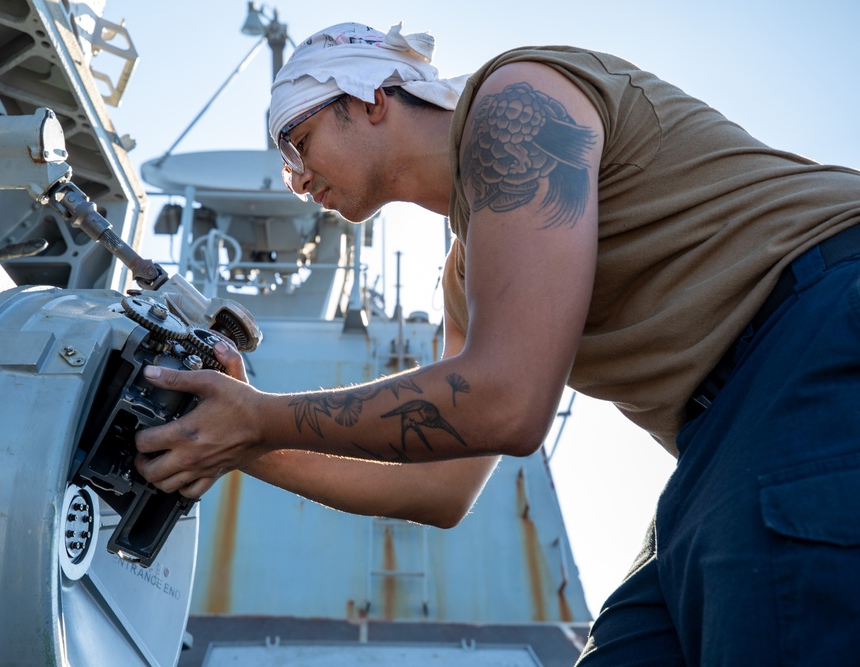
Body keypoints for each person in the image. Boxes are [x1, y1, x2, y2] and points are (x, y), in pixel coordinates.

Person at [134, 21, 860, 665]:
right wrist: (238, 439)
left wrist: (261, 417)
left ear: (369, 99)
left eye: (298, 138)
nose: (294, 178)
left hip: (820, 323)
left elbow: (508, 401)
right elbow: (443, 487)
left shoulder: (515, 99)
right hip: (728, 428)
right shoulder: (467, 275)